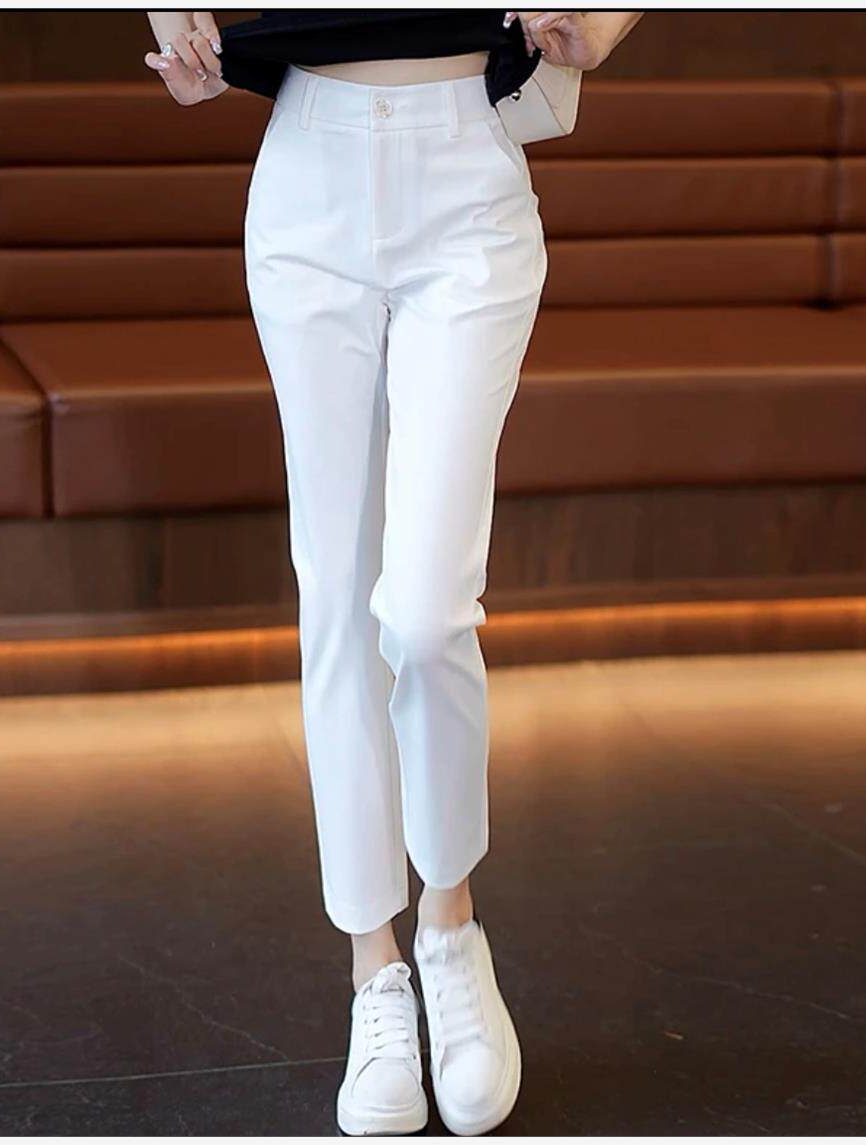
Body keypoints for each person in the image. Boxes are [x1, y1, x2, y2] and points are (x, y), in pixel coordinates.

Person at [144, 10, 643, 1136]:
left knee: (423, 610)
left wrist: (609, 17)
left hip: (465, 167)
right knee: (335, 595)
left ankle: (451, 930)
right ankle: (375, 967)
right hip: (307, 169)